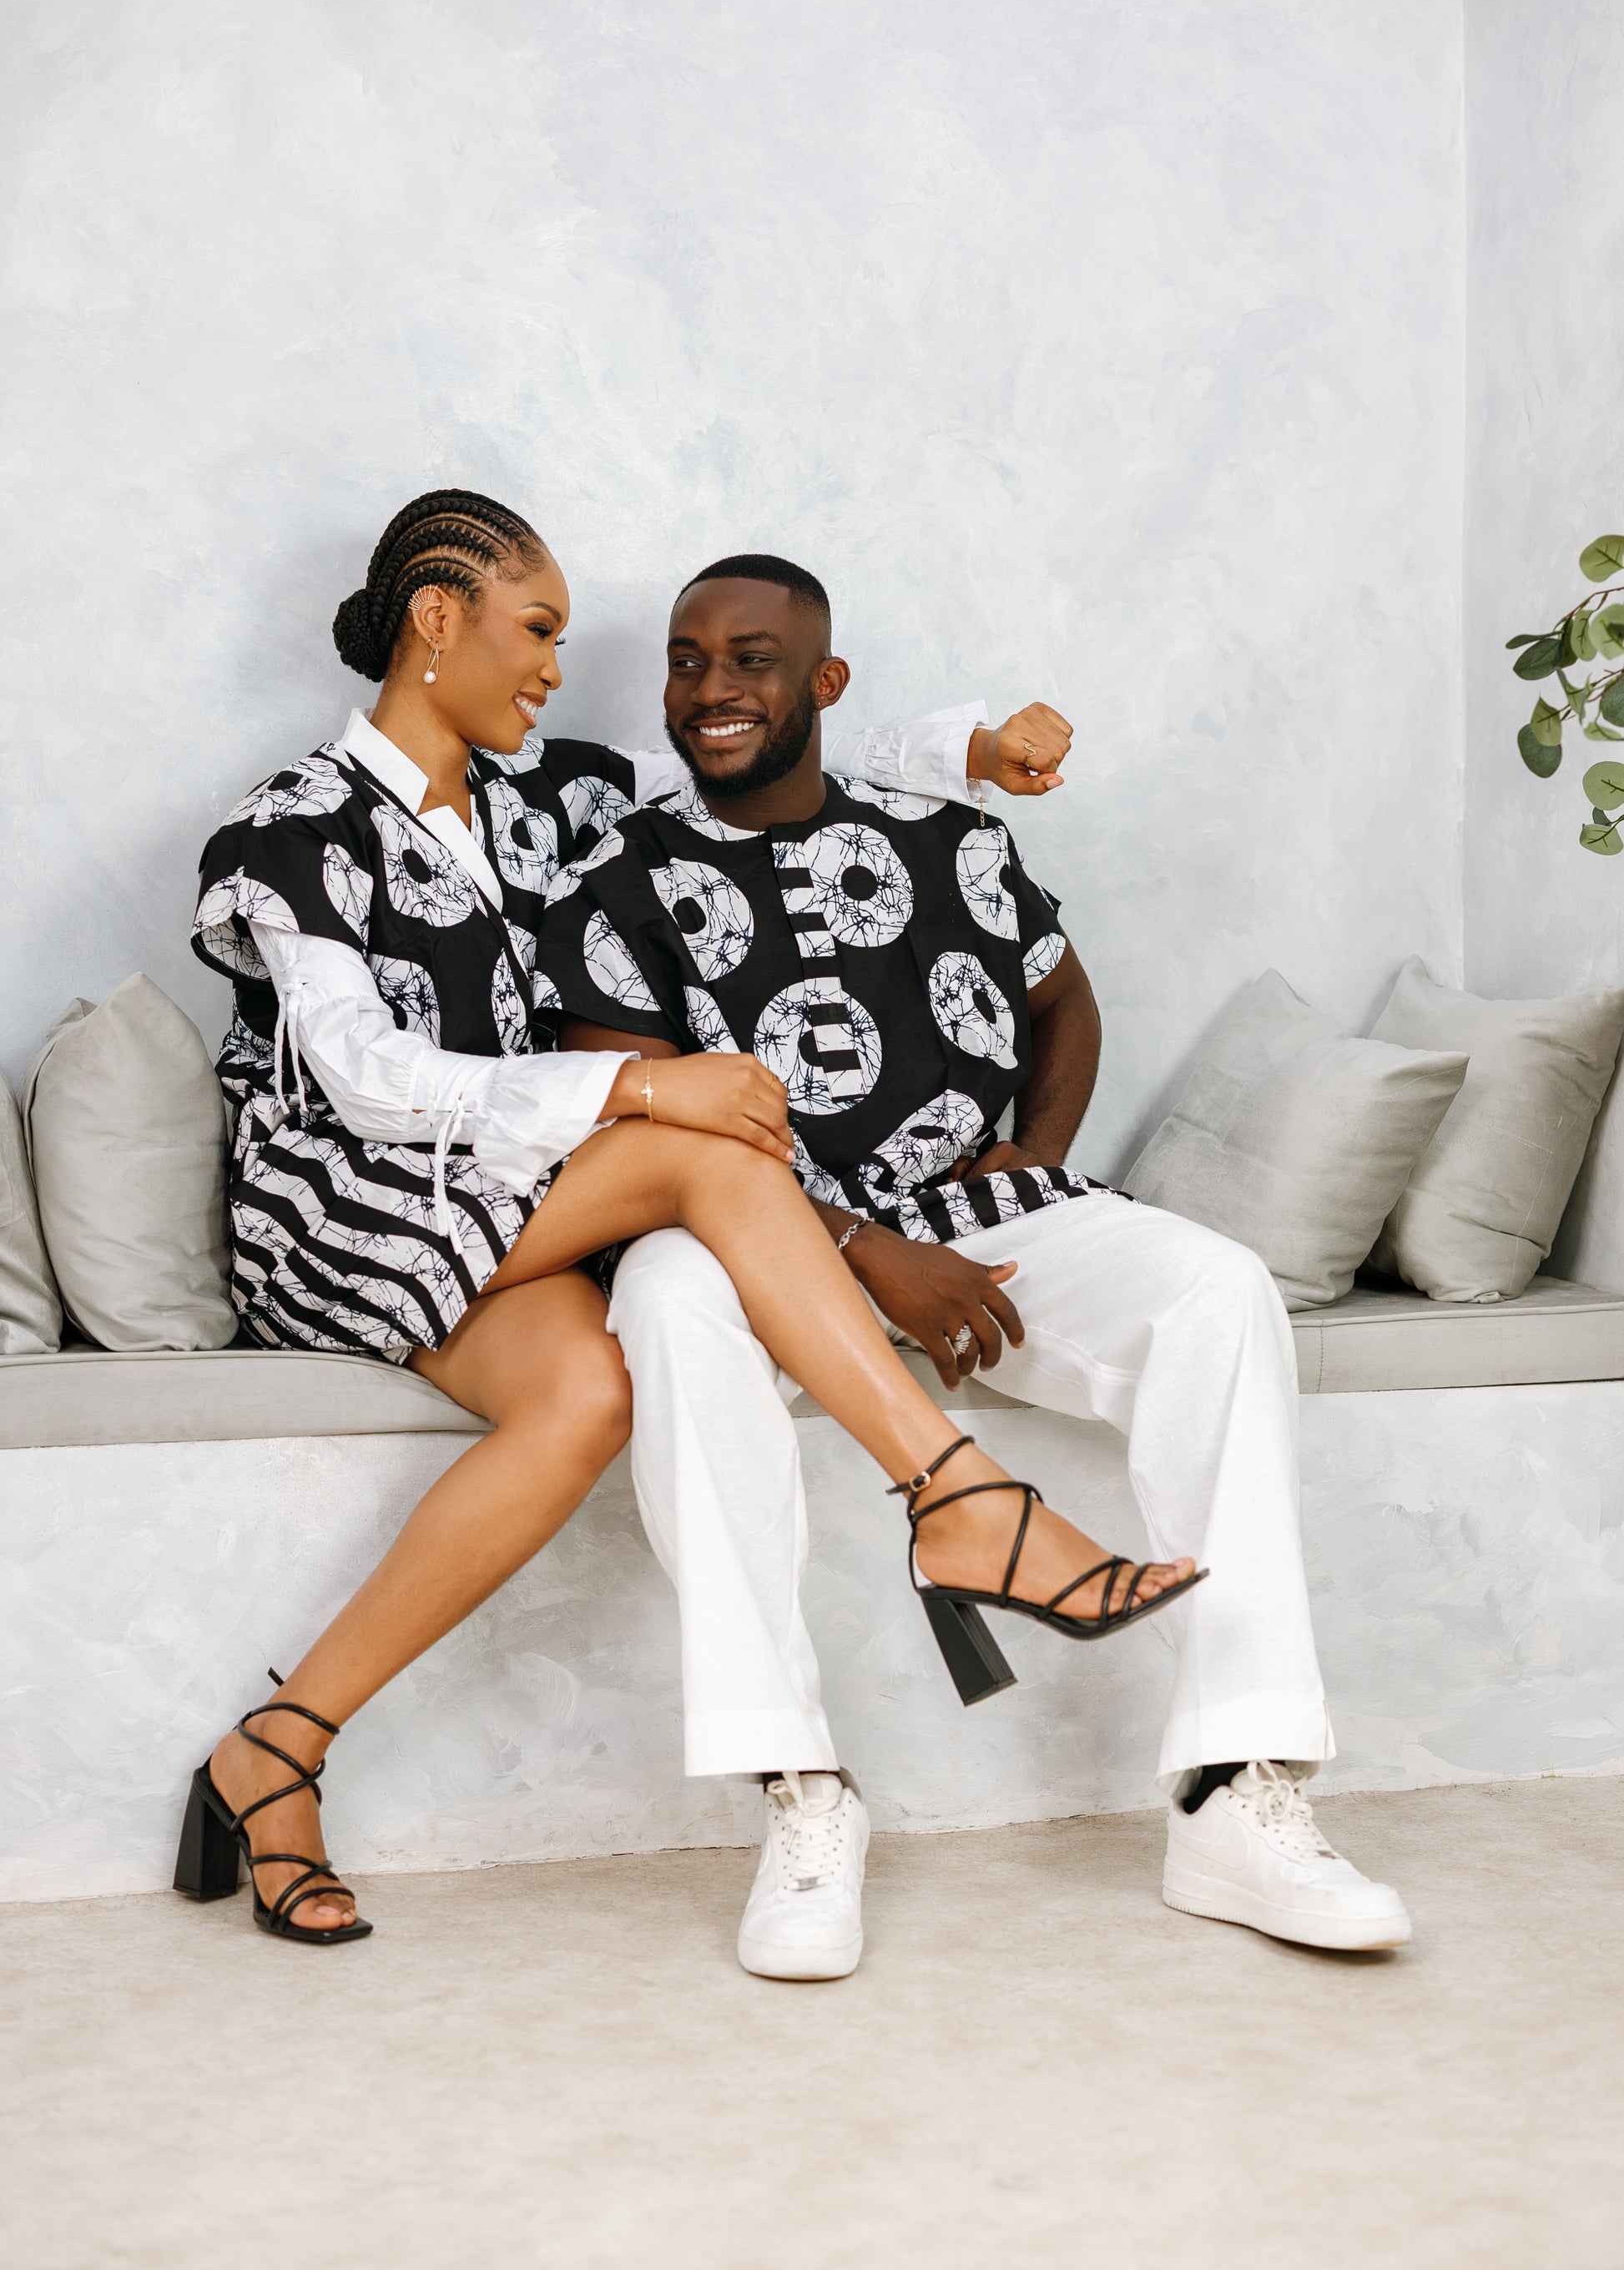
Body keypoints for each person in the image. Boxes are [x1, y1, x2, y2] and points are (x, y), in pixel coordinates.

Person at [177, 489, 1192, 1948]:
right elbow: (362, 1078)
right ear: (437, 620)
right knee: (706, 1144)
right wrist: (637, 1093)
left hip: (500, 1199)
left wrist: (969, 749)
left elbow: (765, 745)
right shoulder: (293, 826)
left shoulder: (548, 793)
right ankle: (963, 1502)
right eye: (536, 631)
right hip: (343, 1199)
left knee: (589, 1396)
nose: (554, 668)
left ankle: (272, 1751)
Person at [536, 551, 1413, 1979]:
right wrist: (859, 1249)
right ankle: (802, 1793)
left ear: (825, 682)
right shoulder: (618, 879)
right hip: (746, 1238)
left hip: (973, 1218)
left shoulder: (951, 841)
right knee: (667, 1302)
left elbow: (1064, 1002)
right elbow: (635, 1118)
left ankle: (1236, 1791)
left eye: (751, 659)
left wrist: (1030, 1155)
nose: (710, 689)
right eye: (687, 662)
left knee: (1217, 1289)